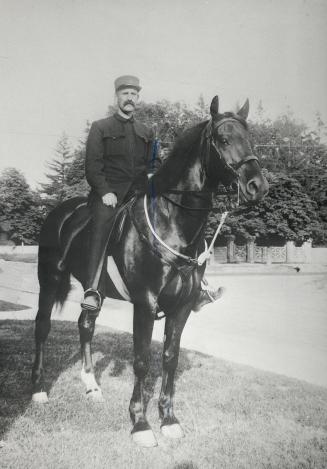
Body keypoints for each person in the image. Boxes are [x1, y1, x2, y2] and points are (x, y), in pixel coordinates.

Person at [82, 75, 223, 311]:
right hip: (109, 195)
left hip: (140, 193)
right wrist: (105, 191)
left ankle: (197, 287)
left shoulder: (146, 132)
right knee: (102, 227)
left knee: (178, 225)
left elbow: (154, 164)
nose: (130, 98)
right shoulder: (101, 127)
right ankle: (93, 289)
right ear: (117, 96)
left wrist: (153, 176)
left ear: (138, 98)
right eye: (125, 93)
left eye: (134, 94)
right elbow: (92, 166)